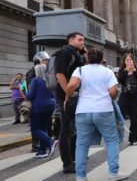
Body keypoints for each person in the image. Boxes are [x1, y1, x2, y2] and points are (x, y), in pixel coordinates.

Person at [65, 48, 127, 181]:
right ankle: (113, 173)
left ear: (87, 59)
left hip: (83, 111)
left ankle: (81, 176)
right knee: (111, 141)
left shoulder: (80, 70)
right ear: (101, 59)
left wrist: (67, 97)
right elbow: (113, 91)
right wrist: (112, 95)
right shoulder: (107, 71)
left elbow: (71, 86)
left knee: (82, 144)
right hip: (103, 109)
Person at [55, 32, 86, 173]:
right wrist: (68, 92)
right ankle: (67, 163)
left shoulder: (77, 54)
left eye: (83, 40)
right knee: (66, 130)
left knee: (75, 128)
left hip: (76, 95)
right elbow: (60, 74)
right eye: (80, 39)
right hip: (66, 96)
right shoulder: (64, 52)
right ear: (71, 40)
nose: (82, 42)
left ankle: (74, 158)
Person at [26, 64, 58, 158]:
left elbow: (30, 95)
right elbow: (54, 95)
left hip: (39, 107)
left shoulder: (35, 80)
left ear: (37, 71)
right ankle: (43, 150)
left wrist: (25, 95)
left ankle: (50, 142)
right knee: (43, 128)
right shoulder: (49, 80)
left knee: (35, 129)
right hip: (51, 106)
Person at [117, 53, 137, 145]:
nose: (129, 61)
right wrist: (126, 70)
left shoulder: (136, 70)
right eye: (127, 60)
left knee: (134, 119)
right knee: (120, 117)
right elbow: (120, 79)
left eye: (131, 60)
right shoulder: (122, 70)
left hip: (134, 97)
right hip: (124, 96)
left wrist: (134, 72)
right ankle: (118, 137)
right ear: (124, 62)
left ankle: (134, 138)